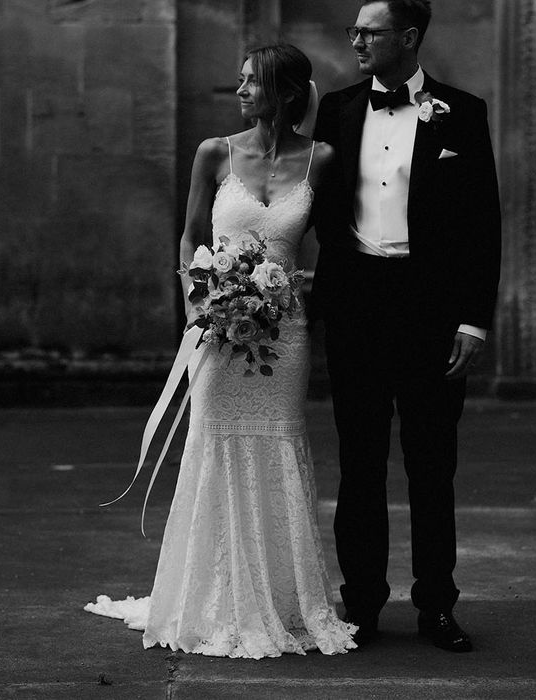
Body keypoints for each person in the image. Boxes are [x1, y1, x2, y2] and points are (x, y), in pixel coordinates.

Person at [85, 44, 357, 659]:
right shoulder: (215, 152)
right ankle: (211, 595)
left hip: (283, 337)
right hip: (216, 333)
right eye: (238, 82)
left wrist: (298, 289)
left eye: (251, 83)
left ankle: (283, 601)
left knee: (278, 445)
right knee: (214, 447)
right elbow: (188, 239)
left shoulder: (322, 159)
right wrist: (197, 304)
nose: (239, 92)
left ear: (287, 93)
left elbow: (336, 245)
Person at [312, 0, 501, 651]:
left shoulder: (463, 112)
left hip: (431, 316)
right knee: (359, 465)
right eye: (355, 31)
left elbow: (484, 224)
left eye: (371, 31)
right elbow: (307, 204)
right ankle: (361, 603)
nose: (356, 40)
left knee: (431, 465)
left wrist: (474, 320)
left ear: (409, 36)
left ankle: (437, 606)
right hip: (356, 312)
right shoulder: (335, 108)